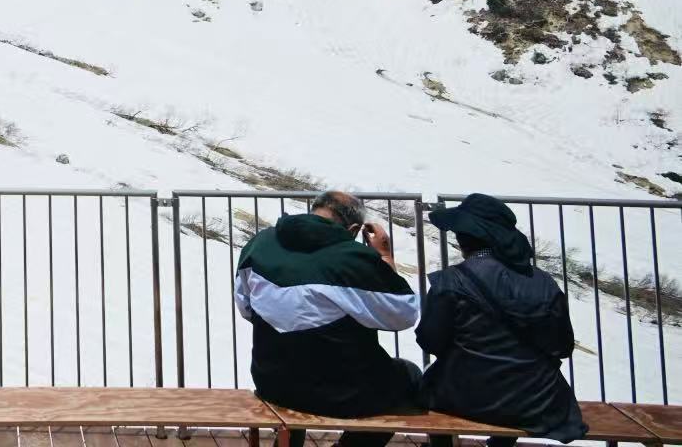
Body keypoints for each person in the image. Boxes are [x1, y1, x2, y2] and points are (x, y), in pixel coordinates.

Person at [235, 190, 421, 447]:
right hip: (340, 393)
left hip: (272, 382)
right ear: (353, 229)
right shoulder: (353, 259)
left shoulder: (260, 244)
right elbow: (403, 314)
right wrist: (385, 258)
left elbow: (246, 307)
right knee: (409, 375)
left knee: (296, 357)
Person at [419, 193, 585, 447]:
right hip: (536, 403)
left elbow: (430, 340)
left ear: (463, 239)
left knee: (427, 384)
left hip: (462, 397)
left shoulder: (451, 282)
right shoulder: (545, 283)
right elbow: (562, 346)